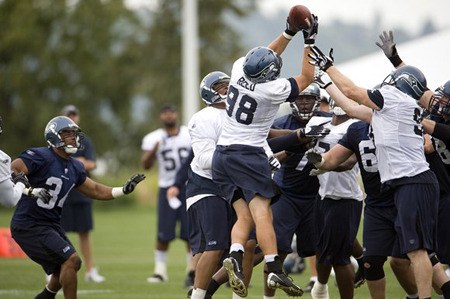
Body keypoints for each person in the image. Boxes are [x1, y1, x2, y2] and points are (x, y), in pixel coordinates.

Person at [210, 11, 326, 297]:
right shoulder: (272, 90)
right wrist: (308, 39)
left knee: (243, 216)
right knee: (262, 211)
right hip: (248, 154)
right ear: (269, 75)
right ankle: (274, 269)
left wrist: (287, 33)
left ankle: (235, 254)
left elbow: (266, 53)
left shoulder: (238, 70)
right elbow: (307, 76)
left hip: (222, 155)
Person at [310, 44, 440, 299]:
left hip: (414, 180)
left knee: (417, 250)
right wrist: (325, 82)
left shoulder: (395, 100)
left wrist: (328, 67)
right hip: (404, 183)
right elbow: (349, 106)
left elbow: (351, 91)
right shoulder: (397, 108)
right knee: (409, 251)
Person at [10, 115, 145, 299]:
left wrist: (123, 190)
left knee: (71, 264)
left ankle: (45, 296)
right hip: (29, 223)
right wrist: (29, 190)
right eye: (67, 134)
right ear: (54, 136)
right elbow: (14, 168)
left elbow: (96, 190)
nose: (73, 138)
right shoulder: (41, 156)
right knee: (71, 260)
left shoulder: (75, 167)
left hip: (50, 224)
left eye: (74, 134)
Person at [263, 82, 328, 298]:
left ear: (317, 101)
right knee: (278, 249)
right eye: (300, 98)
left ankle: (320, 289)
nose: (305, 102)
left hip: (317, 194)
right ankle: (267, 296)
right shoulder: (281, 123)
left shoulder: (328, 122)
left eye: (309, 98)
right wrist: (295, 145)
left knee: (321, 248)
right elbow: (270, 158)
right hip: (287, 194)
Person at [141, 103, 192, 285]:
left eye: (171, 112)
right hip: (166, 188)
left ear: (176, 114)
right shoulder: (153, 138)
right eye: (165, 113)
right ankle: (160, 271)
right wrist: (155, 148)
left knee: (190, 232)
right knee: (163, 233)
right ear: (161, 116)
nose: (169, 115)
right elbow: (145, 165)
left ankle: (191, 271)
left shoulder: (188, 133)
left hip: (189, 187)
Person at [58, 105, 104, 283]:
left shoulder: (85, 141)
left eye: (74, 115)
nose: (72, 118)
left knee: (84, 233)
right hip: (63, 193)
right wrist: (79, 162)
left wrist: (77, 163)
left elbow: (92, 164)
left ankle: (90, 270)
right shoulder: (58, 140)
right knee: (59, 233)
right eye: (69, 115)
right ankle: (55, 271)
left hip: (82, 192)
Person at [0, 116, 50, 208]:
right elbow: (10, 200)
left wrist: (29, 191)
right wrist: (21, 182)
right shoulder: (2, 158)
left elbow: (4, 187)